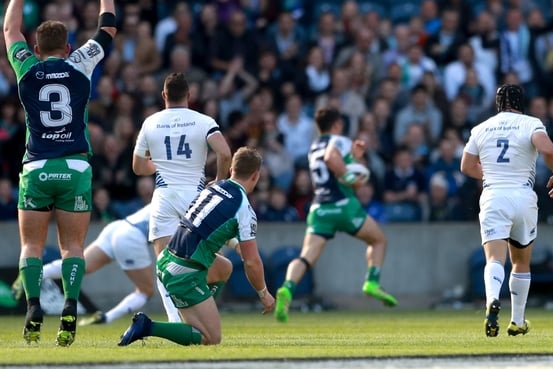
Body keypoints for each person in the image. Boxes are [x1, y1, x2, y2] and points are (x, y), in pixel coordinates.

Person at [4, 0, 117, 346]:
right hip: (75, 167)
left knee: (31, 247)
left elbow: (9, 28)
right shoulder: (80, 63)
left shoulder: (26, 68)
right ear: (68, 47)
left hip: (36, 166)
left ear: (36, 49)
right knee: (72, 247)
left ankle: (34, 306)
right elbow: (108, 30)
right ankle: (70, 304)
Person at [118, 147, 274, 346]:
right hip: (183, 272)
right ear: (256, 175)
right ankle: (148, 326)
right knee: (211, 338)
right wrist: (264, 294)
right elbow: (252, 262)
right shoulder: (244, 208)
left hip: (167, 259)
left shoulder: (212, 189)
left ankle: (198, 313)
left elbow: (202, 224)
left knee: (225, 267)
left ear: (231, 169)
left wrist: (234, 244)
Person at [273, 107, 398, 323]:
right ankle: (372, 282)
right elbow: (333, 159)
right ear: (337, 124)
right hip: (343, 205)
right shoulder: (339, 140)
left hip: (320, 209)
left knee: (306, 257)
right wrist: (350, 174)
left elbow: (331, 162)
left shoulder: (313, 147)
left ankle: (287, 288)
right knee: (378, 240)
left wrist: (353, 158)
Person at [460, 84, 553, 337]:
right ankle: (517, 320)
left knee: (495, 258)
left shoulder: (481, 128)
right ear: (522, 103)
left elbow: (466, 165)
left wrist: (491, 173)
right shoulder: (531, 123)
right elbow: (548, 149)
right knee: (521, 261)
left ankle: (492, 300)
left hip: (494, 195)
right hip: (523, 196)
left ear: (497, 105)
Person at [132, 72, 232, 322]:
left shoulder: (150, 122)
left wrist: (159, 165)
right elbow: (225, 153)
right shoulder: (202, 120)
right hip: (196, 199)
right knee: (209, 263)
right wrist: (219, 181)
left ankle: (176, 321)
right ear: (189, 95)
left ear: (163, 95)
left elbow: (138, 167)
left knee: (164, 266)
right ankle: (201, 307)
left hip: (164, 195)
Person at [12, 205, 155, 325]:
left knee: (80, 266)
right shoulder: (175, 202)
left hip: (117, 227)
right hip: (132, 236)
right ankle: (106, 318)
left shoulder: (167, 191)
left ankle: (35, 272)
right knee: (145, 291)